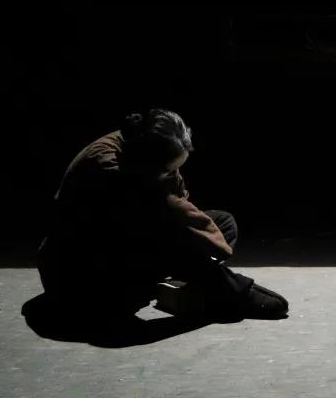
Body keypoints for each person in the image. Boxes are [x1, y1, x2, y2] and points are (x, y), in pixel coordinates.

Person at [35, 108, 288, 324]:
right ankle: (227, 293)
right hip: (82, 278)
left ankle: (190, 286)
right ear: (149, 163)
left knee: (222, 222)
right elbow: (164, 222)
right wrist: (208, 264)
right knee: (175, 238)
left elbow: (181, 205)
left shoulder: (144, 152)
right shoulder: (108, 167)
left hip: (128, 250)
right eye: (168, 170)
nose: (174, 174)